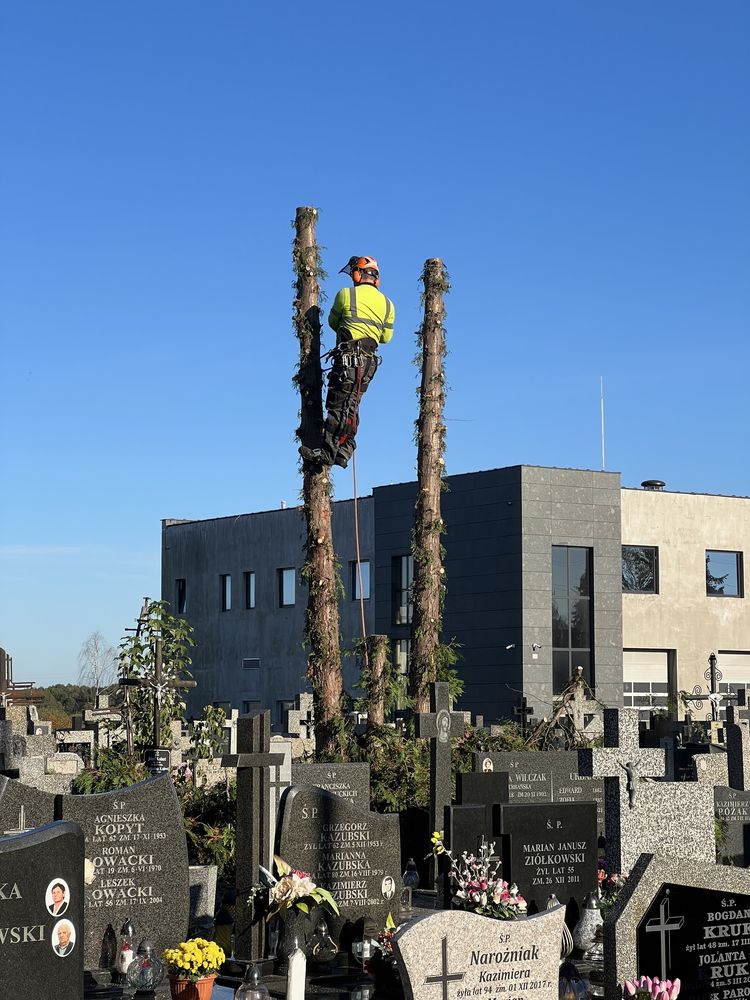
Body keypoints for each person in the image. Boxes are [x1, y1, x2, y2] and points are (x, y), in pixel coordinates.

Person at [299, 255, 395, 470]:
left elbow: (333, 322)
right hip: (369, 363)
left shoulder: (346, 295)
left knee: (338, 402)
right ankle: (345, 448)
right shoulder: (388, 305)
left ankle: (327, 452)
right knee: (352, 404)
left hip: (348, 358)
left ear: (357, 274)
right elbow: (386, 338)